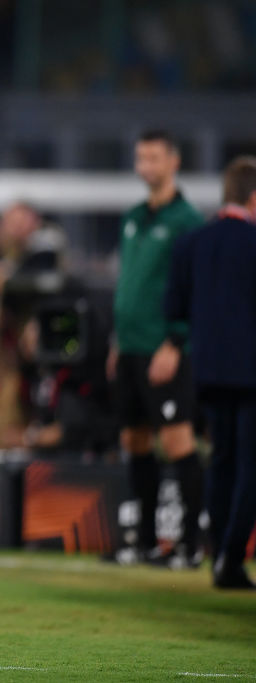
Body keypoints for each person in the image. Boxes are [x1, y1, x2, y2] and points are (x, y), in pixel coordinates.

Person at [108, 130, 204, 568]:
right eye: (140, 157)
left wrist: (175, 341)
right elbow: (128, 284)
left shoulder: (187, 222)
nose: (145, 166)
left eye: (153, 158)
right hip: (129, 347)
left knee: (178, 441)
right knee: (135, 439)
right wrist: (116, 340)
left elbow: (195, 289)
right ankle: (144, 540)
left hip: (163, 348)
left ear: (173, 162)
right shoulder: (132, 216)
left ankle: (188, 544)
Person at [165, 156, 256, 590]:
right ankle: (230, 558)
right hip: (252, 373)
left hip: (208, 370)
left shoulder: (191, 243)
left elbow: (174, 310)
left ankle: (219, 550)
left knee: (221, 461)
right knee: (250, 468)